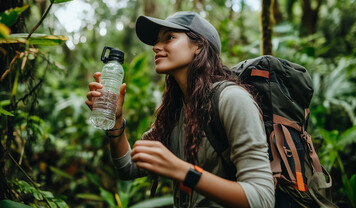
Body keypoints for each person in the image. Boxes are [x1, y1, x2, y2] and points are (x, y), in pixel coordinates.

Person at [86, 11, 275, 207]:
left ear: (198, 46)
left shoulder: (232, 100)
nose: (156, 47)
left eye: (169, 37)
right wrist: (116, 121)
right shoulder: (176, 110)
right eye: (157, 41)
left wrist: (184, 172)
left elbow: (262, 199)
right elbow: (128, 168)